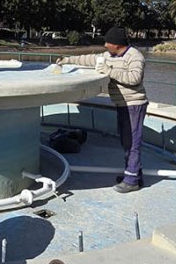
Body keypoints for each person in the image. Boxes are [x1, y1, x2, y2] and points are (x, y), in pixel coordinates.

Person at [57, 26, 148, 193]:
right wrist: (67, 60)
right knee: (126, 141)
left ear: (117, 44)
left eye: (108, 42)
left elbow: (135, 78)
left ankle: (132, 180)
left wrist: (109, 71)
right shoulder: (109, 56)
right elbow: (90, 59)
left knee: (132, 143)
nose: (105, 45)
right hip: (122, 104)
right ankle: (134, 174)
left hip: (134, 104)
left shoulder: (135, 56)